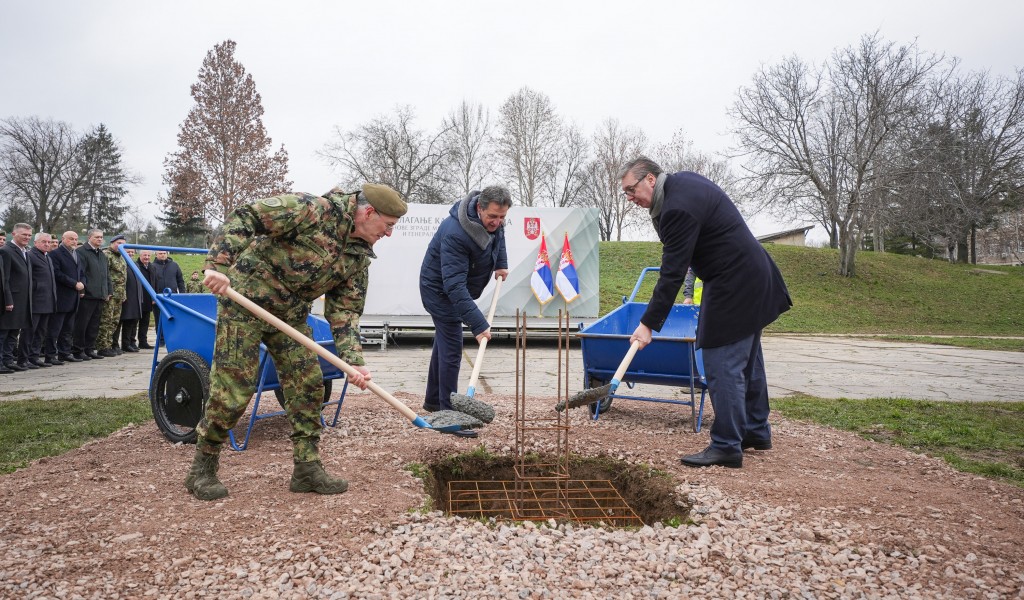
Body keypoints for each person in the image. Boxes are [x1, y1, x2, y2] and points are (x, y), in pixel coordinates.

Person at [186, 183, 406, 501]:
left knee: (308, 385)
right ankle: (202, 468)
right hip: (245, 303)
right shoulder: (310, 210)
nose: (388, 234)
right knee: (235, 388)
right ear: (369, 212)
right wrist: (217, 266)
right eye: (388, 225)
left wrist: (353, 361)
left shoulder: (358, 257)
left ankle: (306, 468)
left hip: (290, 317)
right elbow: (247, 217)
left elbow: (345, 312)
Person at [620, 157, 792, 469]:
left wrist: (648, 324)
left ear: (650, 180)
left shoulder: (676, 208)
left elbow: (672, 273)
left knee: (720, 362)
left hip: (734, 281)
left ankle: (727, 445)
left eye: (632, 190)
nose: (630, 198)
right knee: (748, 360)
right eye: (626, 194)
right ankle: (755, 430)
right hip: (752, 273)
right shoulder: (682, 184)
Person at [418, 186, 511, 439]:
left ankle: (434, 401)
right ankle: (449, 415)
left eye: (502, 217)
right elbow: (454, 286)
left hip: (457, 289)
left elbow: (498, 237)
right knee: (451, 349)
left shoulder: (494, 221)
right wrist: (479, 325)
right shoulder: (456, 233)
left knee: (443, 343)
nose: (497, 222)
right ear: (479, 208)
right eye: (492, 216)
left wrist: (501, 263)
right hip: (439, 291)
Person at [73, 229, 111, 360]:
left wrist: (108, 291)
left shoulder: (101, 254)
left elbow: (106, 275)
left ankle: (90, 349)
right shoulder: (81, 252)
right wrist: (82, 291)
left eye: (101, 237)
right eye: (97, 237)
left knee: (94, 325)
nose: (100, 239)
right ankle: (78, 350)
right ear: (89, 237)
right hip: (87, 295)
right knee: (82, 324)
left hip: (100, 295)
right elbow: (80, 273)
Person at [0, 224, 33, 372]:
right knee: (3, 332)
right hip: (11, 300)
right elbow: (4, 278)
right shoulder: (6, 251)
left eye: (29, 235)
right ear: (14, 234)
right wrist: (7, 300)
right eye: (24, 234)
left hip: (23, 300)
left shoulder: (25, 251)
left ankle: (7, 360)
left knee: (14, 332)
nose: (27, 237)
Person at [49, 231, 85, 364]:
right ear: (63, 239)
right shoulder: (55, 254)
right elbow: (57, 273)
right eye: (71, 239)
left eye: (76, 239)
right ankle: (50, 355)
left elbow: (81, 272)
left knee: (68, 329)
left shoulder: (76, 254)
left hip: (74, 298)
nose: (74, 241)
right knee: (55, 329)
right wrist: (74, 283)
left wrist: (82, 283)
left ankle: (64, 353)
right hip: (62, 296)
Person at [26, 232, 57, 368]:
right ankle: (25, 358)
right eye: (44, 242)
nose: (47, 244)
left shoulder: (47, 257)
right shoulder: (31, 256)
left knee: (41, 332)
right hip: (35, 301)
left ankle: (34, 356)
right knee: (30, 332)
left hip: (47, 301)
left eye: (48, 242)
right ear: (35, 242)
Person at [96, 235, 127, 356]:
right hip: (110, 294)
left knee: (114, 321)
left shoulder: (121, 257)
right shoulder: (106, 255)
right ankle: (102, 346)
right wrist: (106, 292)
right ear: (112, 243)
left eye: (123, 243)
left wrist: (123, 294)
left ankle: (109, 344)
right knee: (106, 321)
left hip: (119, 295)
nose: (121, 245)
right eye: (118, 243)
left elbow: (123, 277)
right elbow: (103, 275)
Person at [149, 250, 184, 345]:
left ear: (167, 254)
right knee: (159, 319)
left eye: (164, 253)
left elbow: (180, 281)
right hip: (158, 298)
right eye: (160, 253)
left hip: (173, 297)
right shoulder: (152, 266)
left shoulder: (174, 265)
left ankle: (173, 339)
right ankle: (160, 340)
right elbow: (150, 283)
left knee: (174, 319)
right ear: (156, 254)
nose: (162, 255)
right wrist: (152, 297)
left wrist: (182, 295)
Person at [119, 247, 143, 352]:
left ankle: (131, 342)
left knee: (133, 321)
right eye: (128, 252)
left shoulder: (135, 264)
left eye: (132, 252)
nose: (130, 254)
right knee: (126, 322)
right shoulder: (122, 263)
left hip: (136, 298)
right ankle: (123, 344)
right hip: (127, 297)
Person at [136, 250, 154, 349]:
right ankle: (130, 342)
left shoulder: (152, 267)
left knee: (145, 322)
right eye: (144, 255)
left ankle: (143, 341)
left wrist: (154, 297)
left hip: (148, 298)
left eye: (148, 255)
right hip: (138, 297)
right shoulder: (136, 266)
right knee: (134, 322)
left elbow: (154, 281)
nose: (146, 257)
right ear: (140, 256)